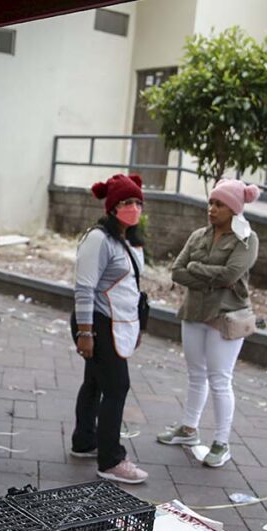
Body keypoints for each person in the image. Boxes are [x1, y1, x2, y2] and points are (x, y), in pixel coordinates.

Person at [158, 179, 260, 468]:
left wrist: (196, 268)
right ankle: (189, 429)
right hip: (194, 312)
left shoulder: (246, 239)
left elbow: (230, 275)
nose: (212, 209)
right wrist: (203, 275)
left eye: (219, 204)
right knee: (195, 374)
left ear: (234, 209)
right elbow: (177, 271)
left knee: (219, 379)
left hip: (226, 316)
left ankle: (221, 442)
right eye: (211, 203)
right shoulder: (198, 235)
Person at [71, 174, 149, 484]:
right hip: (99, 324)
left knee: (94, 382)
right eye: (126, 202)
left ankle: (85, 440)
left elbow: (129, 286)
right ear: (112, 207)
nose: (133, 207)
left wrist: (137, 326)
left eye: (137, 202)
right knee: (117, 387)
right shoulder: (99, 239)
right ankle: (111, 459)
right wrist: (86, 332)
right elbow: (84, 288)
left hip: (117, 322)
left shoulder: (127, 238)